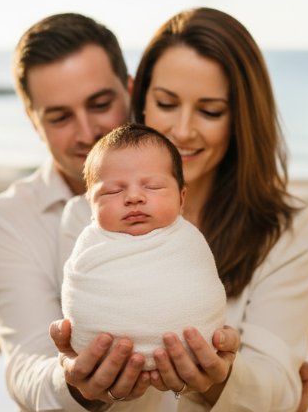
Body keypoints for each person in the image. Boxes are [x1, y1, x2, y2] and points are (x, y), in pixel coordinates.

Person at [0, 12, 308, 412]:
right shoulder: (73, 225)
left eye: (210, 110)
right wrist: (80, 385)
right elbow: (28, 371)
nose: (88, 132)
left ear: (130, 93)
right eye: (59, 116)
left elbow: (279, 389)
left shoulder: (282, 227)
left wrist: (236, 385)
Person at [60, 123, 226, 371]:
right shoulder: (90, 242)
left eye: (153, 186)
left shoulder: (188, 241)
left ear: (181, 198)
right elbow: (77, 291)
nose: (134, 197)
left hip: (192, 352)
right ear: (91, 205)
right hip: (100, 358)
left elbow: (203, 289)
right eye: (113, 191)